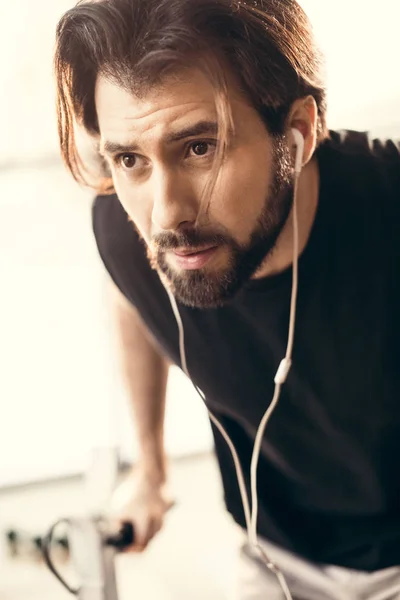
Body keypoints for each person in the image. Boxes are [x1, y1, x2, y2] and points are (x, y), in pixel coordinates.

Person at [54, 0, 400, 598]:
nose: (166, 215)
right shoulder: (125, 230)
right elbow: (133, 300)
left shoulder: (388, 209)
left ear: (298, 131)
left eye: (199, 148)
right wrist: (150, 465)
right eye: (130, 159)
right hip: (275, 553)